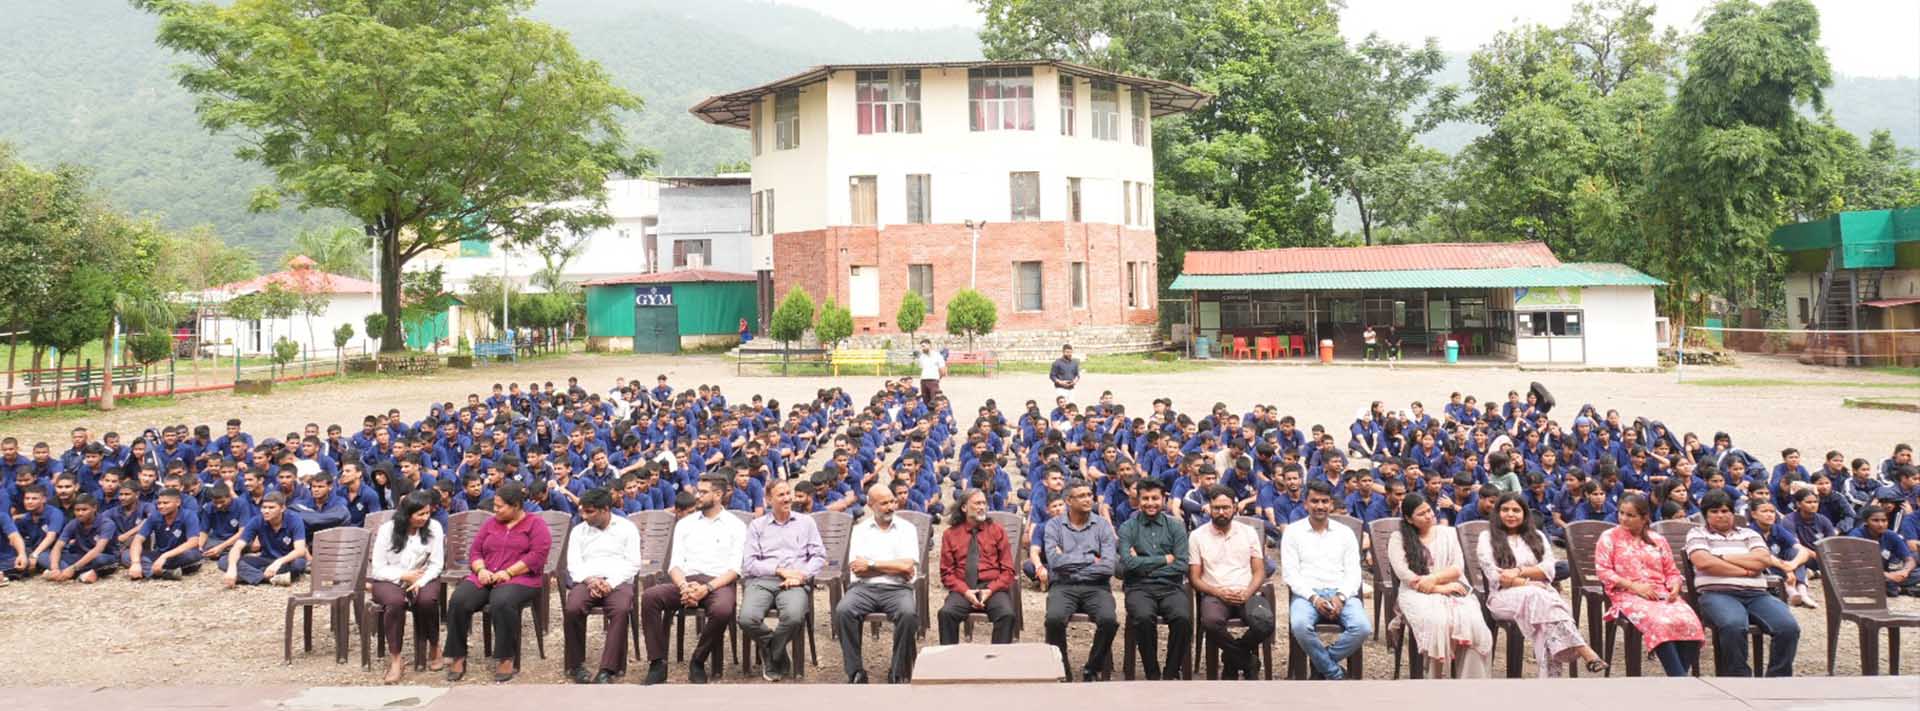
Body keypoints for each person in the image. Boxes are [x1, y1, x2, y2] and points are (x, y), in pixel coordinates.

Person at [1479, 492, 1607, 676]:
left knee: (1546, 620)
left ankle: (1549, 680)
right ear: (1497, 512)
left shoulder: (1536, 536)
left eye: (1516, 510)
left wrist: (1519, 572)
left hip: (1540, 596)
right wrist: (1528, 582)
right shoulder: (1487, 537)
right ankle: (1585, 650)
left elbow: (1549, 569)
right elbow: (1495, 575)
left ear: (1524, 514)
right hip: (1502, 598)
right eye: (1505, 509)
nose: (1510, 514)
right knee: (1540, 598)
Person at [641, 473, 746, 685]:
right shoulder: (685, 524)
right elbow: (675, 564)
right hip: (686, 581)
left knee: (723, 609)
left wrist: (706, 588)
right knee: (650, 597)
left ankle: (698, 660)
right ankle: (657, 662)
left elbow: (735, 569)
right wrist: (684, 586)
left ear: (718, 495)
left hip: (718, 583)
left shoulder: (736, 526)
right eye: (698, 491)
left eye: (703, 492)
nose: (697, 496)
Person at [443, 480, 552, 683]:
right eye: (495, 505)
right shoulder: (491, 524)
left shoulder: (536, 525)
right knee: (459, 599)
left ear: (516, 506)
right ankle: (457, 655)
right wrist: (481, 569)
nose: (495, 510)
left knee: (501, 601)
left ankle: (505, 657)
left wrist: (508, 573)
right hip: (486, 575)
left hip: (521, 578)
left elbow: (537, 555)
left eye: (500, 506)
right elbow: (475, 551)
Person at [1685, 490, 1800, 677]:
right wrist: (1746, 570)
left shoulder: (1749, 534)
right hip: (1717, 594)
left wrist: (1721, 556)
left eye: (1724, 511)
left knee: (1788, 627)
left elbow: (1762, 560)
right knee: (1733, 625)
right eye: (1714, 511)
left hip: (1757, 594)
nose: (1720, 515)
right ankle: (1739, 679)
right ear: (1706, 514)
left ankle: (1777, 679)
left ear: (1732, 512)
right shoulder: (1697, 533)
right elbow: (1704, 562)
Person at [1593, 493, 1703, 676]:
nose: (1623, 519)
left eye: (1630, 515)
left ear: (1644, 518)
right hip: (1627, 594)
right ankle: (1679, 679)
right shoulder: (1609, 537)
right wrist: (1634, 586)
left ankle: (1678, 678)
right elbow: (1603, 571)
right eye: (1621, 513)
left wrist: (1675, 587)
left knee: (1690, 621)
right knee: (1659, 622)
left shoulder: (1657, 540)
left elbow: (1672, 572)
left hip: (1661, 593)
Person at [1387, 492, 1492, 678]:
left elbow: (1457, 567)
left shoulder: (1448, 533)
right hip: (1415, 592)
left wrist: (1433, 580)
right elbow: (1403, 573)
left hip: (1453, 585)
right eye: (1422, 514)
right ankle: (1434, 682)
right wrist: (1437, 588)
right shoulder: (1398, 538)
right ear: (1409, 519)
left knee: (1473, 623)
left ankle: (1470, 684)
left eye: (1429, 510)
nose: (1429, 516)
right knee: (1438, 621)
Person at [738, 478, 827, 682]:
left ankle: (771, 653)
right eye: (781, 495)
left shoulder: (806, 522)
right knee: (746, 618)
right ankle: (776, 651)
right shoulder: (757, 526)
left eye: (788, 493)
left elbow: (819, 556)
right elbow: (749, 564)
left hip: (795, 581)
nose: (787, 498)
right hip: (761, 580)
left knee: (794, 616)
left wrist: (801, 575)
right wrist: (779, 571)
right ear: (769, 499)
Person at [832, 483, 921, 684]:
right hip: (864, 588)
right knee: (843, 611)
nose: (890, 506)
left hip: (898, 588)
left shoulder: (907, 529)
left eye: (892, 501)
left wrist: (872, 564)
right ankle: (855, 672)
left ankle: (898, 671)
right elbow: (857, 568)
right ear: (871, 505)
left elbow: (907, 567)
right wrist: (894, 566)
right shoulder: (860, 530)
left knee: (907, 614)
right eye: (884, 503)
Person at [1281, 480, 1369, 679]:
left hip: (1340, 593)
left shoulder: (1344, 533)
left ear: (1331, 504)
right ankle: (1334, 672)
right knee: (1299, 626)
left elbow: (1354, 572)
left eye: (1324, 501)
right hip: (1307, 595)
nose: (1319, 506)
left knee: (1362, 628)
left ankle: (1321, 662)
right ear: (1305, 504)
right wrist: (1315, 598)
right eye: (1314, 501)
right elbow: (1290, 574)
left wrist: (1341, 597)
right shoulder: (1293, 532)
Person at [561, 488, 642, 685]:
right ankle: (576, 665)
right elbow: (573, 564)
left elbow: (633, 563)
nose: (584, 516)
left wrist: (610, 582)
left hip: (618, 581)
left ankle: (608, 669)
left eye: (589, 512)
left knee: (621, 609)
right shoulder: (579, 530)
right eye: (582, 511)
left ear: (605, 509)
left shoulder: (627, 528)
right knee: (572, 608)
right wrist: (591, 580)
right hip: (588, 579)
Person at [1190, 485, 1272, 680]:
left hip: (1246, 592)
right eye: (1216, 507)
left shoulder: (1248, 532)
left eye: (1226, 507)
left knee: (1265, 622)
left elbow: (1259, 571)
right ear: (1209, 507)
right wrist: (1218, 592)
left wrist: (1248, 591)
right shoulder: (1197, 536)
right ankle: (1247, 661)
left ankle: (1231, 659)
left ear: (1234, 507)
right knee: (1210, 622)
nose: (1221, 512)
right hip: (1215, 593)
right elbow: (1194, 577)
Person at [1044, 479, 1120, 681]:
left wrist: (1069, 565)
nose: (1088, 499)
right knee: (1053, 619)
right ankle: (1062, 670)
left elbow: (1107, 566)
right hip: (1063, 586)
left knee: (1109, 620)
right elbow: (1054, 562)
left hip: (1097, 587)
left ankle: (1092, 668)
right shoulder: (1054, 526)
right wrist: (1090, 559)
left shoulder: (1102, 526)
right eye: (1082, 496)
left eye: (1089, 495)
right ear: (1069, 500)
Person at [1117, 478, 1192, 680]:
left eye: (1155, 498)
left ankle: (1171, 672)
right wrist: (1163, 560)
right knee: (1142, 617)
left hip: (1170, 587)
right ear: (1137, 500)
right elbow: (1126, 565)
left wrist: (1141, 563)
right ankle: (1152, 672)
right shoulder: (1127, 528)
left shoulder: (1176, 527)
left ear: (1163, 499)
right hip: (1138, 588)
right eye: (1145, 498)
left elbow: (1181, 565)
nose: (1150, 503)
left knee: (1183, 618)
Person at [369, 491, 445, 684]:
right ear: (406, 514)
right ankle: (396, 658)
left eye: (427, 513)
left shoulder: (434, 527)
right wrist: (404, 576)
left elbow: (436, 564)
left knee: (427, 600)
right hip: (390, 578)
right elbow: (377, 568)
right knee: (394, 602)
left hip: (423, 575)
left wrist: (419, 581)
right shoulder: (388, 530)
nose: (425, 518)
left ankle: (434, 645)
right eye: (419, 514)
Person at [936, 488, 1017, 645]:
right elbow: (946, 573)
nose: (982, 507)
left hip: (992, 588)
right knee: (946, 614)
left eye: (984, 503)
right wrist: (965, 591)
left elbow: (1008, 570)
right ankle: (949, 662)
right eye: (977, 503)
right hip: (963, 587)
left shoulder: (997, 531)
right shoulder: (950, 534)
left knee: (1007, 615)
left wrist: (990, 589)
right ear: (964, 508)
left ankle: (997, 662)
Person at [223, 492, 308, 587]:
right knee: (225, 560)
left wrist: (278, 562)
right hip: (266, 559)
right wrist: (232, 568)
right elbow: (237, 547)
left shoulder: (294, 519)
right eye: (264, 507)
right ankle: (266, 578)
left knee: (298, 565)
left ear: (282, 508)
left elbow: (300, 550)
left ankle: (249, 576)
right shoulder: (256, 521)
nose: (266, 511)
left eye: (271, 508)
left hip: (287, 561)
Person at [125, 488, 204, 580]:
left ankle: (148, 570)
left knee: (192, 556)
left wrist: (165, 556)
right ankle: (165, 573)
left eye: (166, 503)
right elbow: (138, 539)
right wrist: (135, 563)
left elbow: (193, 542)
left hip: (180, 555)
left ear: (178, 503)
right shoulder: (154, 517)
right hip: (159, 554)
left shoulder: (189, 515)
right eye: (159, 503)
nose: (161, 506)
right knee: (126, 555)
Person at [42, 494, 119, 583]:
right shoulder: (73, 523)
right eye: (77, 510)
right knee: (44, 555)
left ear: (94, 508)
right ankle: (75, 574)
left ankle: (69, 572)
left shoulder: (107, 524)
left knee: (100, 559)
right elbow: (58, 546)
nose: (80, 513)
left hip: (103, 556)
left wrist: (73, 568)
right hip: (80, 556)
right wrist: (54, 567)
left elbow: (98, 549)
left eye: (84, 509)